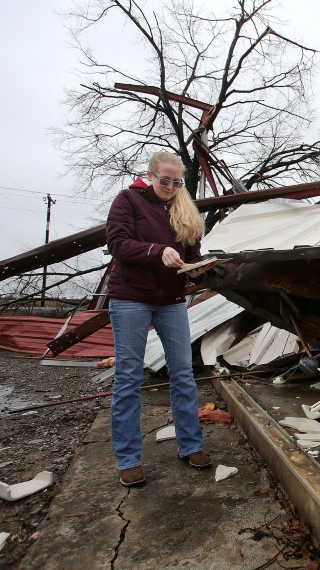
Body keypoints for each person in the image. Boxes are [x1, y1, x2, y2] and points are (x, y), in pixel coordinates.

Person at [106, 151, 212, 487]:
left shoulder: (184, 211)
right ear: (150, 176)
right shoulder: (128, 200)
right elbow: (118, 243)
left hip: (172, 301)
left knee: (182, 372)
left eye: (176, 181)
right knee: (128, 376)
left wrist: (202, 270)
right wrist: (156, 250)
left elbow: (191, 257)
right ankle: (128, 459)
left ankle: (191, 446)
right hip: (130, 298)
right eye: (163, 180)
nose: (169, 186)